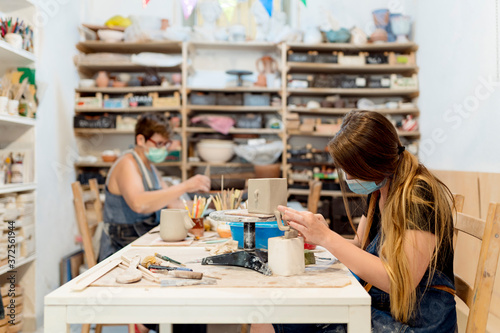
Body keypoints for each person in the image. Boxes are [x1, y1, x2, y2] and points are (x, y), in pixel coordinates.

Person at [271, 110, 457, 332]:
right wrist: (319, 235)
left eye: (353, 169)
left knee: (289, 320)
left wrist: (328, 238)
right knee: (276, 316)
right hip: (385, 305)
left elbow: (400, 283)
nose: (349, 177)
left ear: (375, 164)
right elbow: (361, 246)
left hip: (419, 320)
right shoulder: (380, 189)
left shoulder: (417, 195)